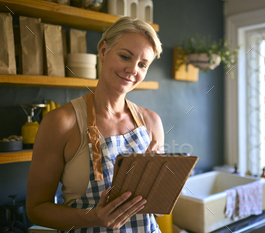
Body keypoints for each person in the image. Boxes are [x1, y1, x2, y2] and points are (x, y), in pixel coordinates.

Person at [26, 17, 164, 233]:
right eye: (125, 56)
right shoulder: (61, 122)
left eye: (142, 64)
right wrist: (91, 218)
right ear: (103, 51)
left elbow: (158, 211)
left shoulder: (152, 122)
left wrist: (163, 185)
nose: (132, 70)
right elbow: (35, 209)